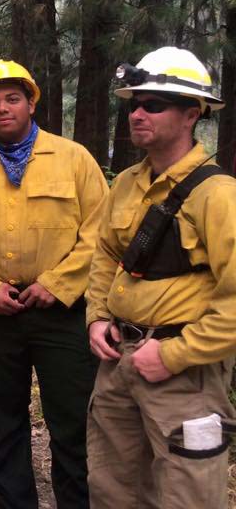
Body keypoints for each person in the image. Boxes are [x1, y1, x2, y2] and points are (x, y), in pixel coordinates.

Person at [0, 60, 108, 509]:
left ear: (31, 102)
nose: (2, 109)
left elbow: (99, 231)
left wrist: (58, 282)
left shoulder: (74, 160)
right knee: (1, 423)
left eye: (12, 98)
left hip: (62, 316)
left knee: (72, 424)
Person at [85, 47, 236, 509]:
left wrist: (174, 354)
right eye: (134, 103)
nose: (138, 112)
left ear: (191, 114)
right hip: (117, 362)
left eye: (153, 104)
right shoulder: (127, 182)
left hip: (183, 376)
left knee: (188, 494)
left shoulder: (218, 196)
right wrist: (96, 317)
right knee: (113, 487)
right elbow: (105, 255)